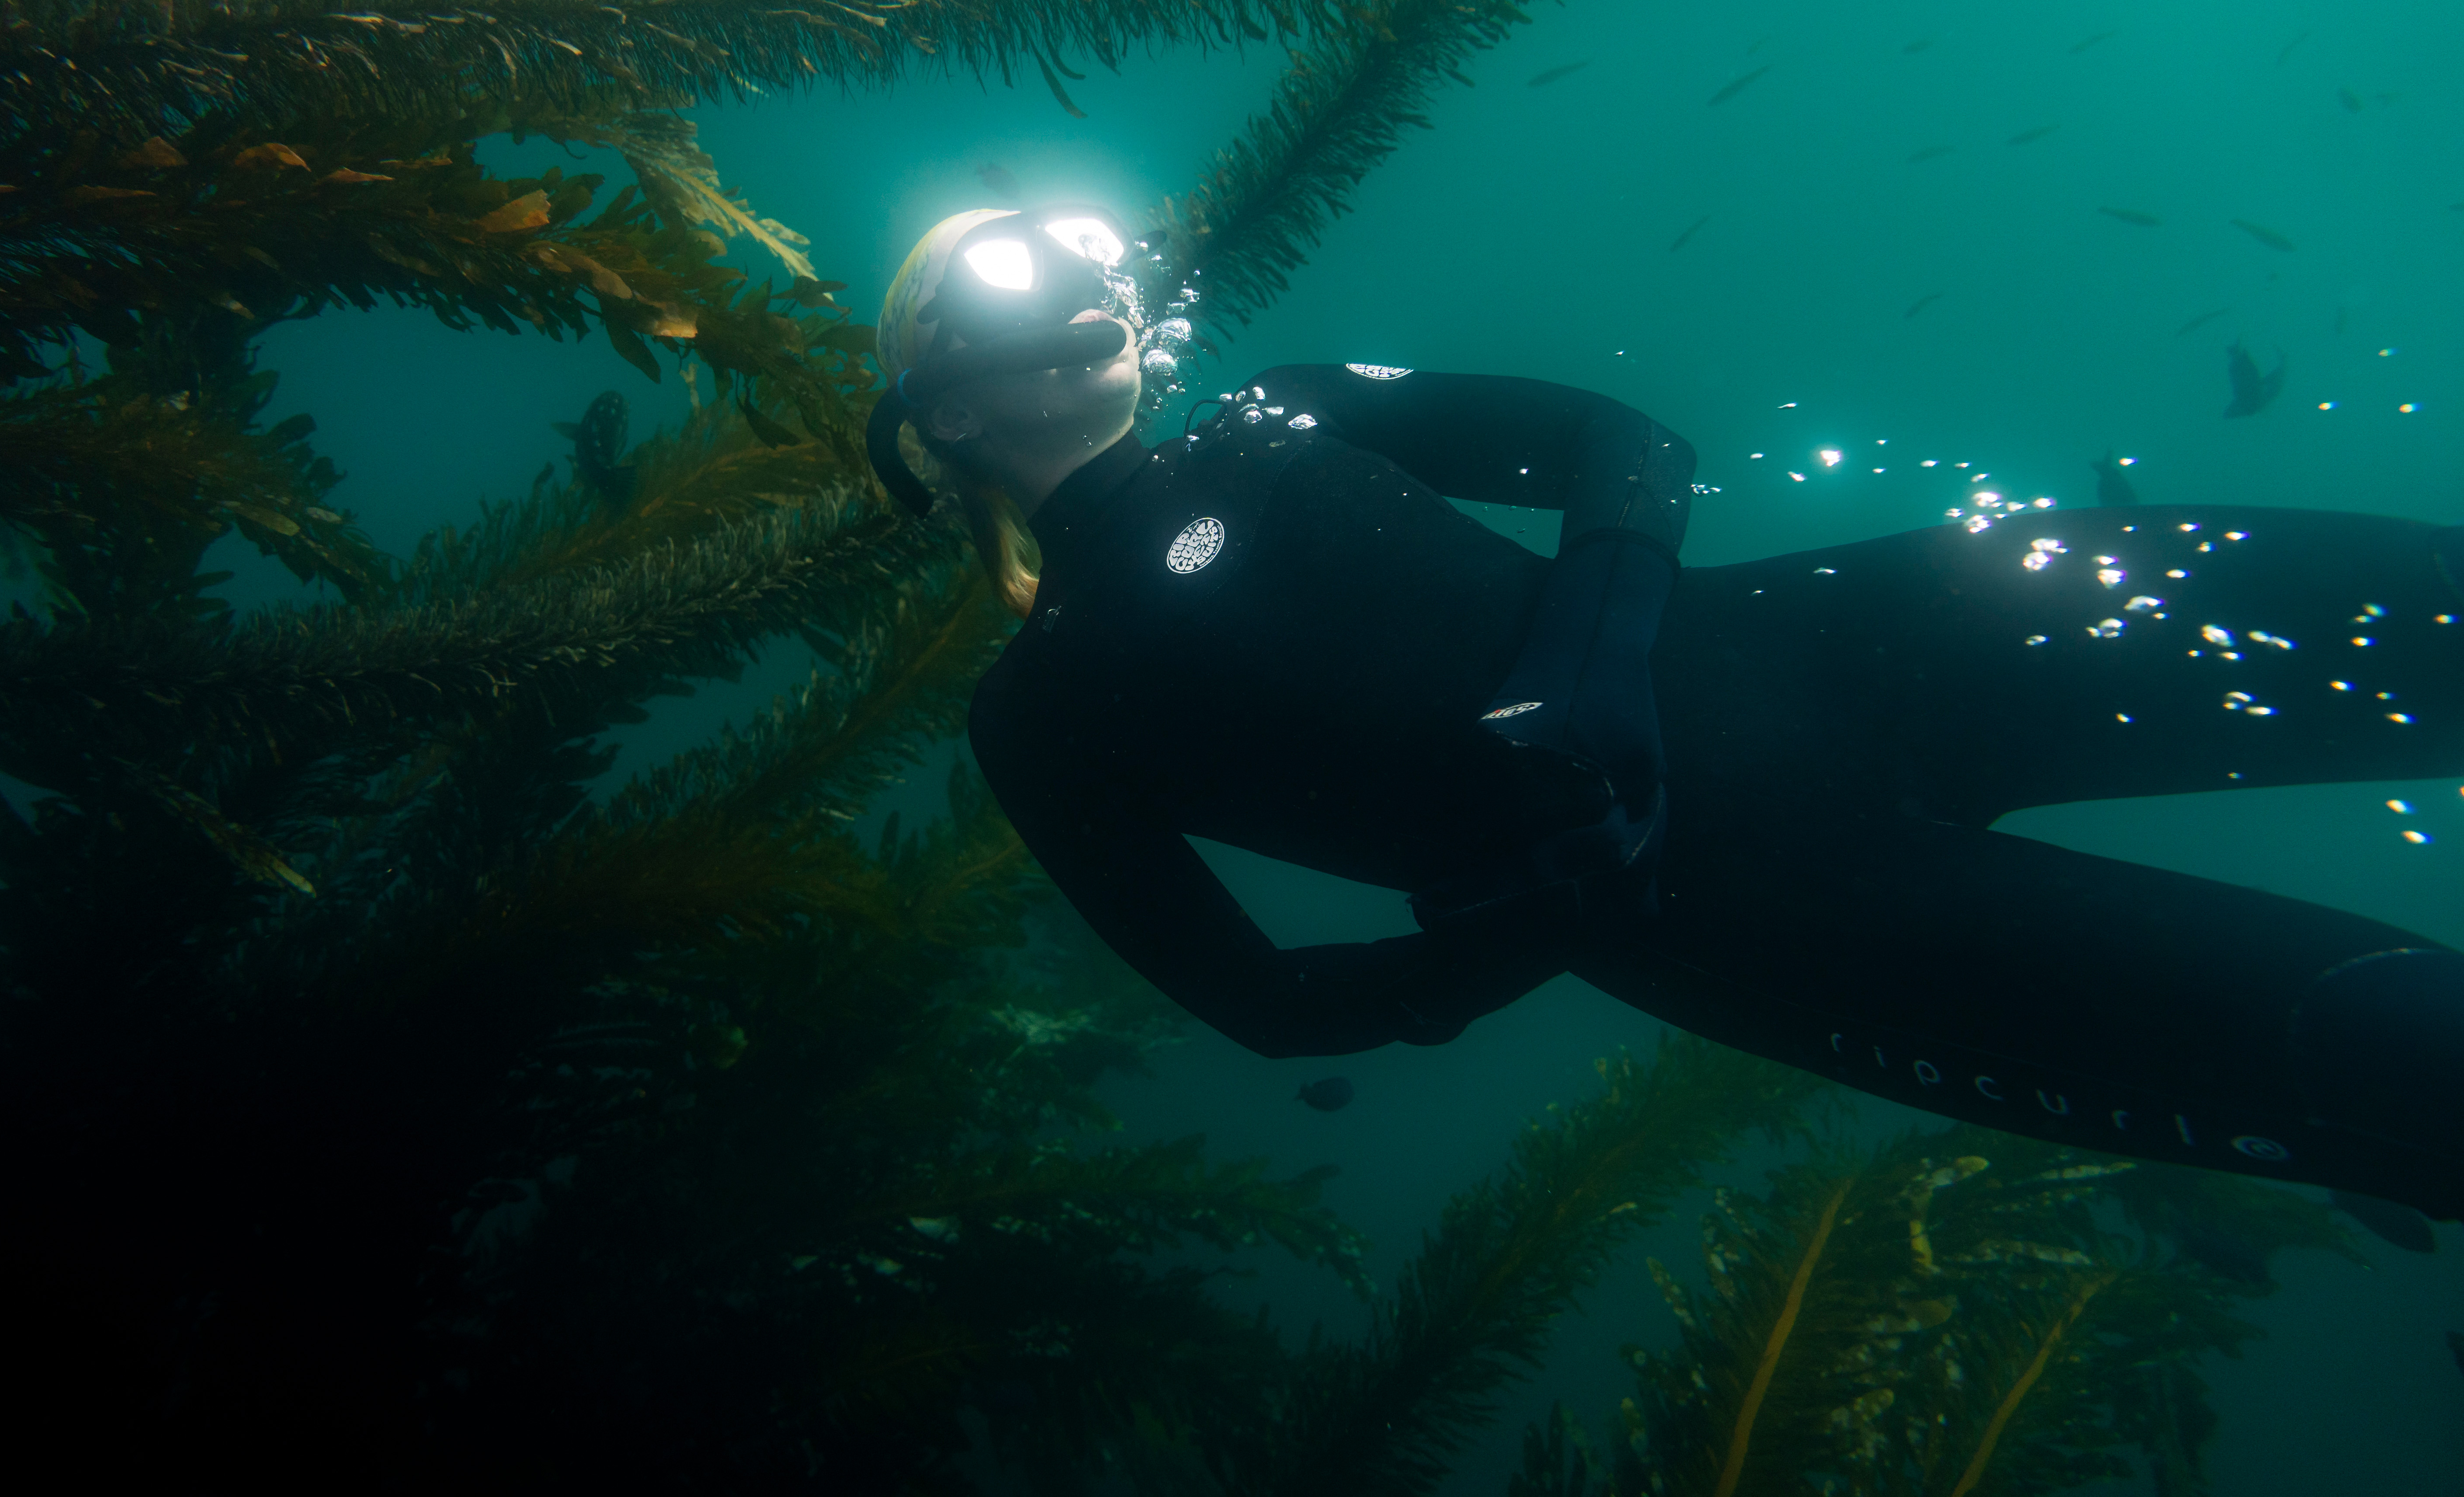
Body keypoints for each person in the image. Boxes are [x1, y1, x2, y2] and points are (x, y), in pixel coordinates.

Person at [867, 204, 2464, 1222]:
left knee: (2421, 613)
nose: (1081, 270)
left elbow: (1623, 446)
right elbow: (1268, 1001)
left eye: (1077, 244)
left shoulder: (1291, 409)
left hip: (1850, 645)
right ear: (944, 403)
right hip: (1764, 916)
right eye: (1011, 265)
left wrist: (1592, 670)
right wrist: (1520, 931)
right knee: (2396, 1042)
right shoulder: (1043, 710)